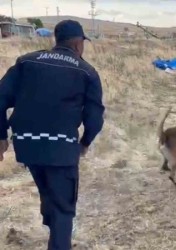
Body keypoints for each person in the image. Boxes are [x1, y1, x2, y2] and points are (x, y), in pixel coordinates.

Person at [0, 20, 105, 249]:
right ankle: (58, 237)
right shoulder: (86, 71)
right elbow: (95, 118)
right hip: (61, 150)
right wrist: (85, 142)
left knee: (49, 192)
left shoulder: (26, 61)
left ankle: (53, 231)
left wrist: (1, 136)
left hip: (27, 147)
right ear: (78, 44)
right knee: (63, 211)